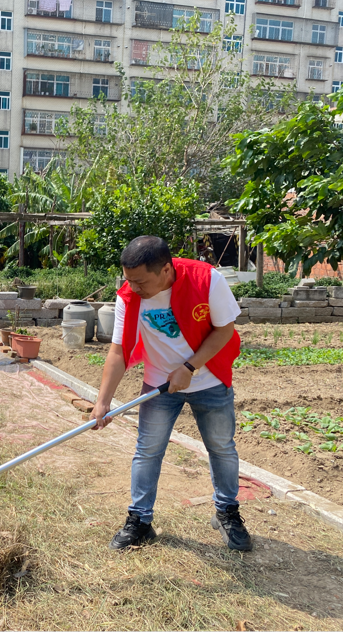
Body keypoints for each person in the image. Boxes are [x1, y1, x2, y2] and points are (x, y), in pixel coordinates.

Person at [92, 236, 252, 552]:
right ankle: (139, 520)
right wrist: (102, 402)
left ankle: (226, 513)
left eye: (140, 281)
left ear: (166, 270)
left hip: (210, 379)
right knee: (148, 450)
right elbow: (118, 352)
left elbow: (225, 330)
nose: (134, 288)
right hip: (158, 386)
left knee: (221, 447)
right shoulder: (128, 296)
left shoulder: (207, 280)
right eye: (129, 280)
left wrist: (189, 368)